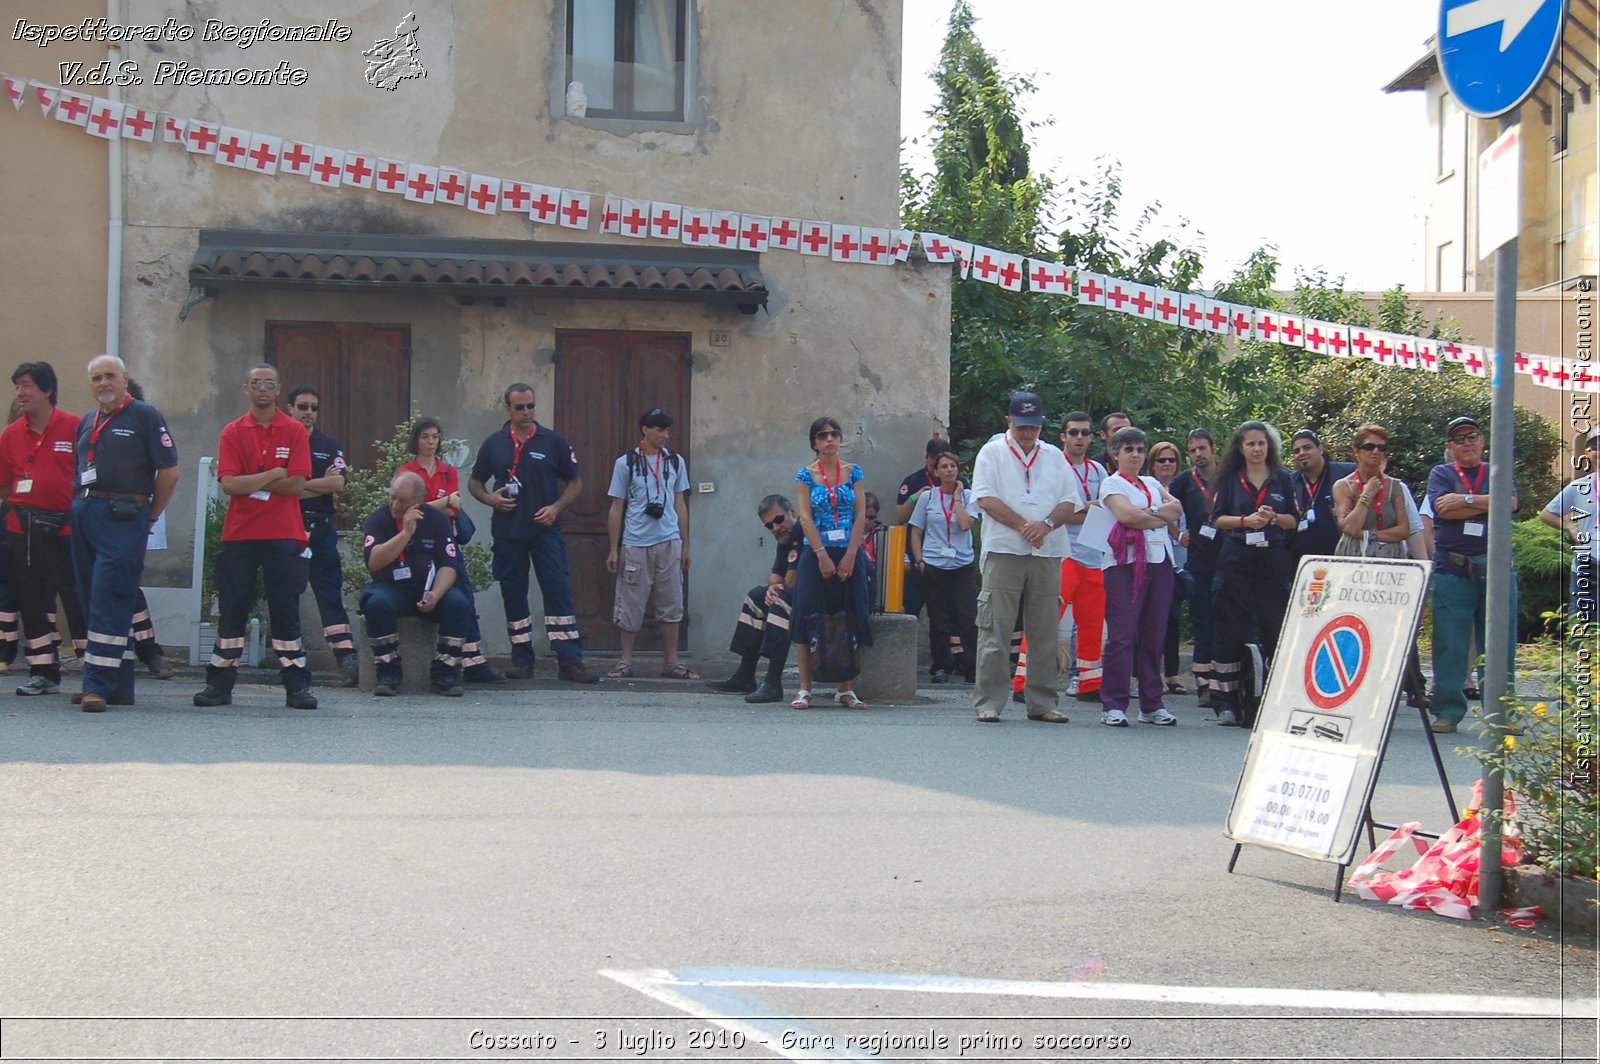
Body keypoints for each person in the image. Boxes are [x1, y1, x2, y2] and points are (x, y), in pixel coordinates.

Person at [193, 364, 317, 710]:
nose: (263, 389)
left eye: (269, 384)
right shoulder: (232, 431)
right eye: (256, 383)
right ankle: (219, 685)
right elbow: (230, 484)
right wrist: (275, 473)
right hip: (240, 534)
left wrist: (256, 479)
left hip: (283, 533)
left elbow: (297, 483)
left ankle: (297, 686)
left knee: (285, 610)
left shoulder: (294, 430)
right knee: (232, 609)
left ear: (278, 390)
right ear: (246, 388)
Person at [68, 355, 179, 712]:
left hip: (123, 515)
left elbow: (169, 472)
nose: (103, 383)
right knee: (90, 599)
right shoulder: (89, 419)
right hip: (86, 511)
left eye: (110, 376)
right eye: (96, 377)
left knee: (108, 599)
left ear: (125, 379)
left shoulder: (144, 416)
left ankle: (96, 686)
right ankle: (118, 685)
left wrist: (151, 513)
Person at [468, 383, 599, 684]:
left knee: (558, 592)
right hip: (508, 531)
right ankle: (522, 660)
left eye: (531, 406)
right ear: (507, 409)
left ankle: (570, 662)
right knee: (514, 596)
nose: (527, 412)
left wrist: (555, 508)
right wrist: (490, 499)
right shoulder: (494, 443)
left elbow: (575, 482)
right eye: (520, 407)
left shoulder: (553, 441)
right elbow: (475, 482)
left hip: (545, 531)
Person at [971, 392, 1083, 723]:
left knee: (1045, 629)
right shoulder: (992, 452)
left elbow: (1070, 501)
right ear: (1009, 422)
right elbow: (985, 498)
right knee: (995, 628)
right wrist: (1023, 526)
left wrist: (1046, 524)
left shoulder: (1053, 456)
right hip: (1005, 548)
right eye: (1021, 427)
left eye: (1033, 427)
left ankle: (1043, 701)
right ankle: (988, 702)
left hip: (1048, 550)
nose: (1027, 434)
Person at [1427, 415, 1519, 734]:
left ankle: (1500, 714)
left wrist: (1464, 500)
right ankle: (1447, 712)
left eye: (1472, 436)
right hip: (1453, 569)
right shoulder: (1441, 473)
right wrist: (1487, 504)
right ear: (1450, 447)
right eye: (1459, 438)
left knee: (1499, 644)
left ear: (1482, 440)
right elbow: (1442, 509)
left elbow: (1509, 503)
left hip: (1496, 569)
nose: (1467, 442)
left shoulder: (1496, 469)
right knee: (1449, 644)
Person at [1, 361, 87, 696]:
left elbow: (88, 476)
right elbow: (4, 485)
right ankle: (43, 670)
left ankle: (90, 664)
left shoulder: (75, 427)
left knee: (75, 597)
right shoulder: (10, 434)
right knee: (32, 599)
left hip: (67, 530)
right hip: (22, 530)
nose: (20, 394)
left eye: (26, 386)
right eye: (18, 386)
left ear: (47, 390)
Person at [1207, 421, 1299, 727]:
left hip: (1272, 557)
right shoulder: (1230, 479)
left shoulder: (1283, 479)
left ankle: (1275, 698)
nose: (1257, 449)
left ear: (1269, 446)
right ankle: (1225, 702)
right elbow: (1218, 520)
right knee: (1230, 625)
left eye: (1262, 443)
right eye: (1251, 444)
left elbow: (1294, 521)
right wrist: (1246, 521)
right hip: (1236, 556)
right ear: (1240, 448)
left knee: (1275, 626)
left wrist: (1273, 517)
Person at [397, 418, 503, 684]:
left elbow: (453, 510)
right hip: (415, 546)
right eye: (425, 437)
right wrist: (442, 502)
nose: (431, 442)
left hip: (446, 543)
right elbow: (407, 510)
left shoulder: (447, 470)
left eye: (435, 437)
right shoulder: (406, 471)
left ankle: (473, 661)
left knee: (464, 595)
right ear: (416, 440)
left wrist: (431, 506)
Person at [1011, 410, 1107, 704]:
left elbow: (1106, 509)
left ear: (1092, 437)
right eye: (1074, 432)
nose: (1080, 438)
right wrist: (1087, 509)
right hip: (1061, 553)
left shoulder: (1099, 471)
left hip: (1094, 554)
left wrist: (1082, 510)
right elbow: (1059, 512)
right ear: (1063, 436)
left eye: (1085, 433)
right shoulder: (1052, 467)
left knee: (1092, 621)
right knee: (1045, 618)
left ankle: (1090, 683)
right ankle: (1023, 681)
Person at [358, 470, 474, 697]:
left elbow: (448, 565)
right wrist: (406, 532)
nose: (395, 504)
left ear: (418, 502)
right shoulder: (379, 519)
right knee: (377, 603)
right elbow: (375, 561)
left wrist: (437, 593)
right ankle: (388, 671)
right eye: (392, 497)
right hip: (393, 589)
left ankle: (446, 672)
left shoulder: (436, 520)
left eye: (403, 501)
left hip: (428, 589)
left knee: (459, 603)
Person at [1098, 426, 1181, 726]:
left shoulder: (1150, 481)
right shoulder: (1111, 484)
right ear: (1116, 453)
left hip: (1159, 561)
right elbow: (1127, 516)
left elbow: (1178, 508)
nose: (1135, 455)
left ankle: (1151, 703)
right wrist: (1158, 515)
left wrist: (1149, 513)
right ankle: (1114, 703)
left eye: (1140, 450)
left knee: (1154, 633)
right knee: (1122, 635)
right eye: (1128, 449)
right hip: (1125, 563)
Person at [789, 416, 874, 710]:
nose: (830, 439)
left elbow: (861, 514)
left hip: (849, 550)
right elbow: (805, 516)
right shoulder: (805, 475)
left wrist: (852, 554)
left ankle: (845, 688)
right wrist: (821, 554)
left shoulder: (853, 472)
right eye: (823, 435)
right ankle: (804, 688)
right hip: (816, 552)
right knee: (806, 613)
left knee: (849, 612)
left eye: (834, 434)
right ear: (814, 442)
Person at [605, 407, 696, 679]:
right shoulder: (626, 463)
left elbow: (681, 504)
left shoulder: (675, 462)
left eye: (667, 430)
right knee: (630, 602)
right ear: (645, 430)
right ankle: (625, 660)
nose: (665, 435)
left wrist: (685, 544)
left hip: (669, 541)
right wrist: (614, 548)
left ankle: (671, 662)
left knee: (671, 602)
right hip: (636, 542)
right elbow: (616, 507)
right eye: (660, 430)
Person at [284, 385, 358, 687]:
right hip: (288, 526)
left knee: (329, 593)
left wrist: (299, 488)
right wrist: (317, 484)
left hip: (322, 528)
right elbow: (279, 490)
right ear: (290, 408)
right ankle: (290, 660)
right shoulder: (283, 441)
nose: (309, 413)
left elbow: (338, 485)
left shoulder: (328, 443)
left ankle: (346, 658)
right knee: (287, 594)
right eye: (303, 407)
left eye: (314, 407)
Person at [706, 494, 801, 704]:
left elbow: (792, 582)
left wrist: (777, 590)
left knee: (780, 601)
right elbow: (776, 574)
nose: (776, 527)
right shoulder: (783, 538)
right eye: (769, 526)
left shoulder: (802, 532)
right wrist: (771, 588)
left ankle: (773, 682)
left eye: (779, 520)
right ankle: (745, 675)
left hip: (818, 595)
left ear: (791, 512)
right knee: (757, 596)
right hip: (796, 593)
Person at [909, 449, 978, 683]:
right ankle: (941, 666)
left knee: (968, 616)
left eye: (953, 466)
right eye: (944, 467)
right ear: (936, 472)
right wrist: (919, 561)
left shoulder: (969, 496)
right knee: (938, 618)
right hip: (934, 563)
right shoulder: (928, 497)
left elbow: (965, 524)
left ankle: (972, 667)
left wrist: (957, 498)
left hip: (961, 563)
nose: (949, 470)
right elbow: (916, 531)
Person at [894, 437, 961, 663]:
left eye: (945, 463)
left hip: (951, 557)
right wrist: (916, 497)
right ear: (927, 460)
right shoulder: (913, 481)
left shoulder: (960, 483)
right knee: (913, 604)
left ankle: (954, 660)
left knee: (951, 611)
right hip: (920, 555)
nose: (939, 469)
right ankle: (902, 657)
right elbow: (900, 517)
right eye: (934, 463)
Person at [1171, 428, 1220, 704]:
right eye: (1192, 450)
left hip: (1230, 556)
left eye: (1202, 448)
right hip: (1199, 559)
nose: (1198, 454)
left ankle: (1231, 680)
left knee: (1229, 618)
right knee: (1203, 619)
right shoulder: (1183, 482)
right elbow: (1162, 505)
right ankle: (1203, 682)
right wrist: (1177, 534)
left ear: (1214, 448)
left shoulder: (1230, 476)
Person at [1333, 425, 1425, 560]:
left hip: (1391, 556)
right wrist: (1366, 495)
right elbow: (1350, 528)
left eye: (1381, 448)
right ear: (1356, 451)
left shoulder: (1395, 486)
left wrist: (1367, 535)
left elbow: (1403, 530)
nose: (1375, 451)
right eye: (1369, 447)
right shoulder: (1343, 486)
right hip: (1355, 555)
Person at [1540, 427, 1599, 625]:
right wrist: (1571, 528)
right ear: (1587, 454)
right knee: (1582, 628)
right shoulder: (1579, 487)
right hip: (1587, 567)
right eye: (1595, 447)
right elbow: (1547, 514)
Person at [1145, 439, 1188, 694]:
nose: (1167, 464)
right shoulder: (1145, 487)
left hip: (1179, 561)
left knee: (1171, 620)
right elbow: (1158, 515)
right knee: (1145, 620)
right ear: (1153, 464)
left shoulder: (1184, 486)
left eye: (1172, 460)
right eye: (1161, 460)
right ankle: (1142, 676)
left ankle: (1172, 674)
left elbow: (1182, 512)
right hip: (1150, 557)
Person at [1288, 428, 1354, 570]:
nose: (1302, 453)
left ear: (1320, 449)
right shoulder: (1289, 483)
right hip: (1303, 565)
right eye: (1297, 451)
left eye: (1307, 447)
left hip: (1342, 559)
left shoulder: (1347, 474)